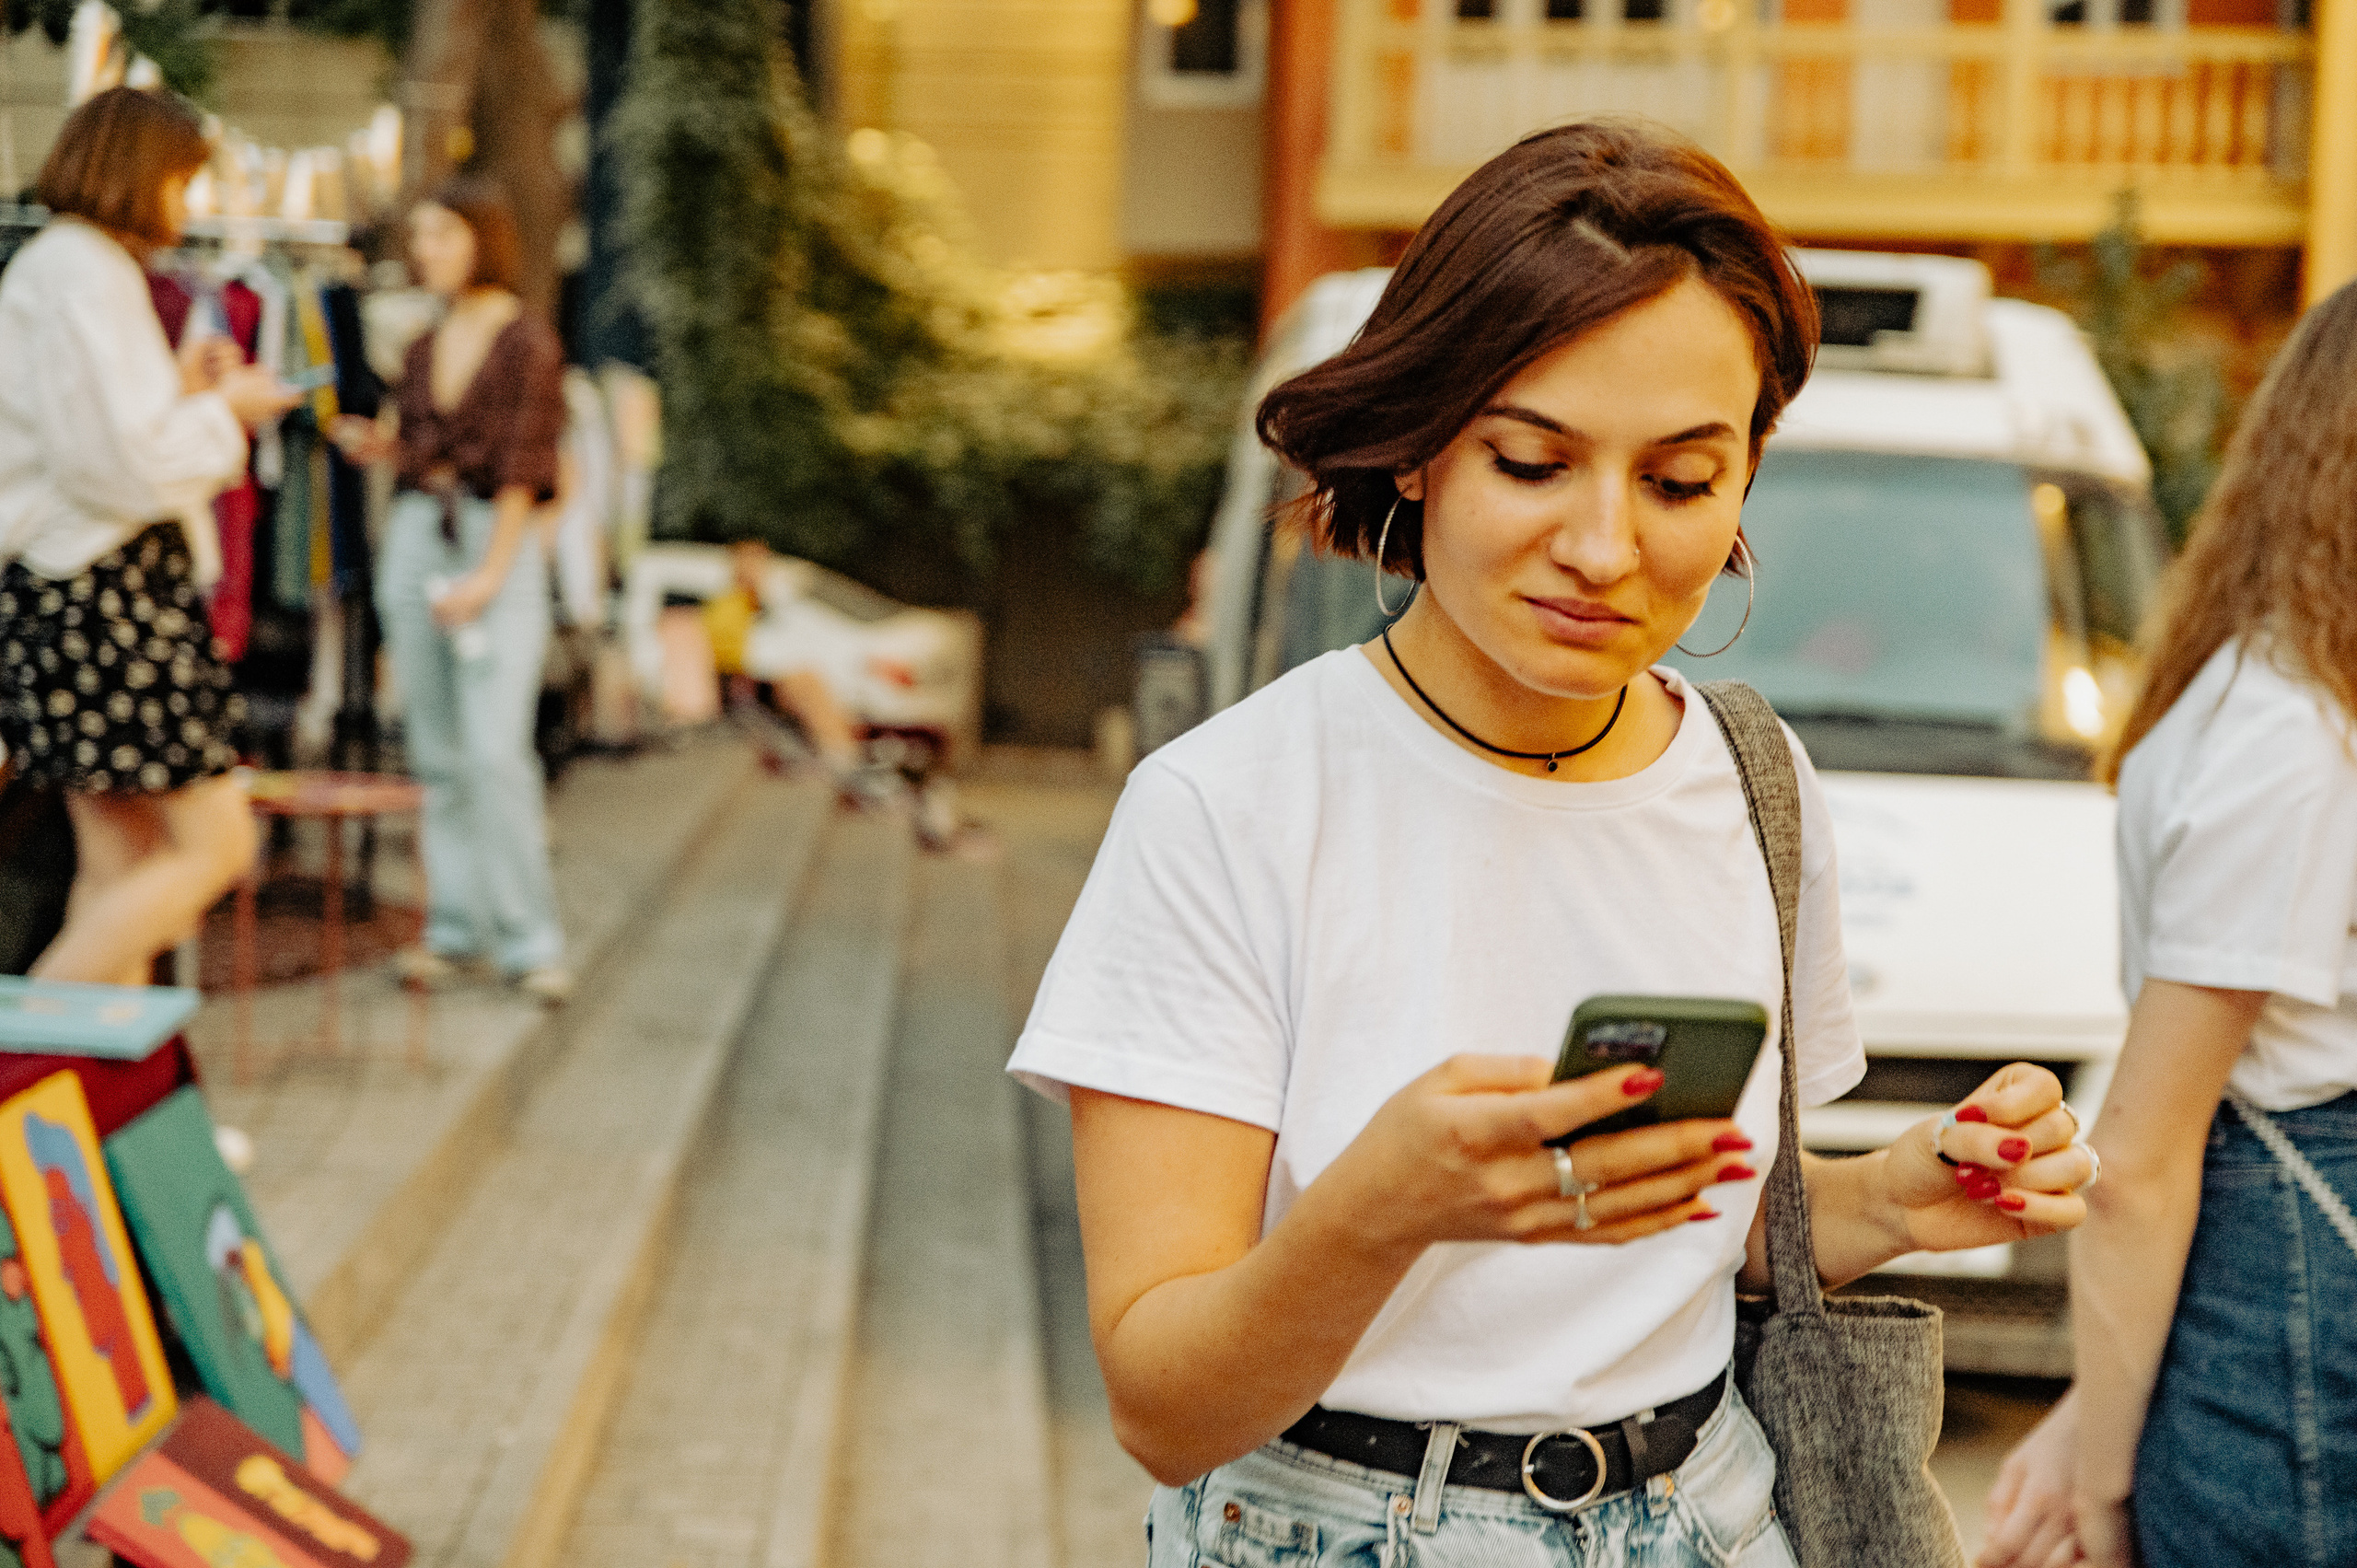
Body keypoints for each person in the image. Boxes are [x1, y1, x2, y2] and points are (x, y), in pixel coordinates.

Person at [1006, 121, 2096, 1567]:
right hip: (1338, 1523)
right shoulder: (1228, 805)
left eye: (1681, 481)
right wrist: (1384, 1207)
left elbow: (1688, 1228)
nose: (1605, 546)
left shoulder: (1755, 776)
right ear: (1418, 447)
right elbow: (1163, 1400)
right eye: (1534, 460)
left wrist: (1890, 1194)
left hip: (1710, 1512)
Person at [1977, 282, 2357, 1568]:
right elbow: (2141, 1157)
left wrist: (2096, 1401)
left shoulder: (2269, 697)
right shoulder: (2290, 734)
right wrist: (2103, 1479)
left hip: (2270, 1290)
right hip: (2287, 1312)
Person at [0, 87, 299, 985]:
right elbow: (115, 465)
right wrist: (228, 414)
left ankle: (78, 1094)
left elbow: (93, 437)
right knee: (216, 843)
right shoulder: (84, 271)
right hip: (104, 590)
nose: (188, 201)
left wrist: (186, 389)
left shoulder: (69, 268)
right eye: (182, 178)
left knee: (120, 861)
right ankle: (27, 1050)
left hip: (73, 586)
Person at [333, 179, 571, 1004]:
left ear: (481, 240)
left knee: (495, 750)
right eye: (422, 236)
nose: (424, 251)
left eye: (439, 236)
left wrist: (490, 576)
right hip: (416, 537)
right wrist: (380, 447)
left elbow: (525, 468)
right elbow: (420, 443)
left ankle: (530, 939)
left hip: (490, 546)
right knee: (435, 751)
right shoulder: (428, 343)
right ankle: (456, 926)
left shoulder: (528, 342)